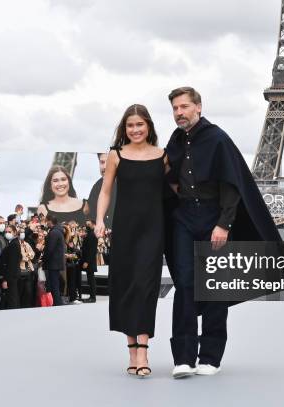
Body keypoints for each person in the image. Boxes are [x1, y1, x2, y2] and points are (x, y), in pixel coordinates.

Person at [164, 87, 284, 378]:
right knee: (184, 285)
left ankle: (210, 357)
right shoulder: (175, 140)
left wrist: (224, 224)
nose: (179, 113)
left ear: (198, 107)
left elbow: (232, 185)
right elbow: (168, 173)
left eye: (184, 107)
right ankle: (183, 356)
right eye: (175, 108)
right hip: (183, 217)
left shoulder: (217, 138)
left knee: (215, 286)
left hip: (212, 217)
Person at [95, 104, 168, 378]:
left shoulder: (163, 156)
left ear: (148, 125)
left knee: (146, 287)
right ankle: (132, 350)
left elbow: (175, 191)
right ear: (124, 129)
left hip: (153, 230)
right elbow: (105, 192)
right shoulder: (115, 156)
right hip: (125, 229)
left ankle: (144, 351)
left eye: (140, 124)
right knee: (125, 287)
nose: (135, 130)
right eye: (130, 126)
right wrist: (100, 221)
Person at [88, 153, 117, 228]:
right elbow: (91, 218)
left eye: (109, 162)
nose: (105, 166)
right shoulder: (96, 187)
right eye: (102, 162)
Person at [42, 214, 65, 306]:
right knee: (55, 283)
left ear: (50, 221)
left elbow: (50, 248)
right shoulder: (57, 231)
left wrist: (44, 258)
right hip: (56, 262)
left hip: (53, 262)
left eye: (46, 221)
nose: (46, 223)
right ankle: (57, 302)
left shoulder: (54, 232)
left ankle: (57, 303)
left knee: (54, 284)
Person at [0, 224, 22, 309]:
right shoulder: (13, 243)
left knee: (12, 298)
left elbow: (11, 264)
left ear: (15, 233)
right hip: (13, 275)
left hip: (11, 276)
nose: (7, 233)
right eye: (6, 232)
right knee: (13, 297)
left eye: (9, 232)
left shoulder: (14, 244)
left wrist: (6, 280)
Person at [80, 220, 98, 303]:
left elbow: (91, 250)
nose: (87, 226)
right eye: (86, 224)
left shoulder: (91, 235)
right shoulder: (90, 234)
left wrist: (86, 261)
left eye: (89, 224)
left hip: (89, 262)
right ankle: (91, 296)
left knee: (91, 280)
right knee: (90, 279)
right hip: (89, 261)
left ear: (93, 225)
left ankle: (93, 297)